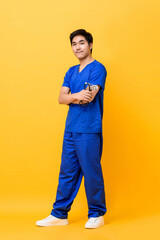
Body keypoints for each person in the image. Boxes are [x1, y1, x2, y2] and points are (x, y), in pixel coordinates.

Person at [36, 29, 107, 229]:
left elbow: (89, 97)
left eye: (82, 43)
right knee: (67, 172)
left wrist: (72, 96)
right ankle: (59, 214)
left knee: (91, 172)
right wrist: (77, 96)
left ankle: (97, 213)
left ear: (90, 45)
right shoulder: (70, 71)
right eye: (74, 44)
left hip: (89, 130)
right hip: (71, 129)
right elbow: (61, 98)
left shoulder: (98, 68)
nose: (77, 47)